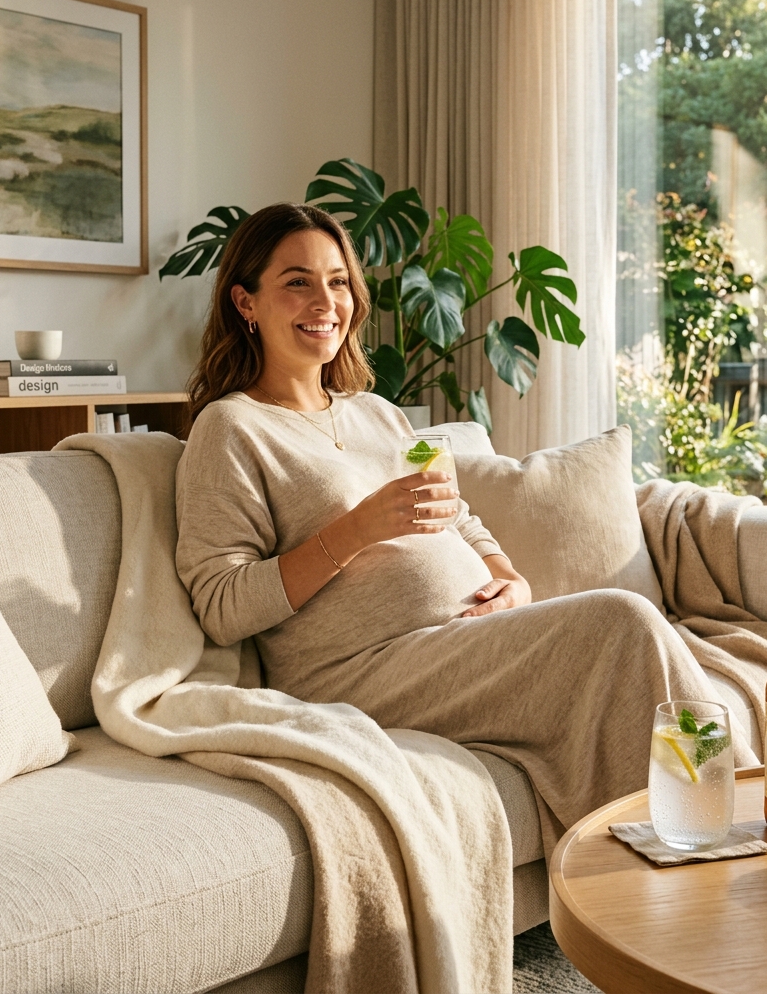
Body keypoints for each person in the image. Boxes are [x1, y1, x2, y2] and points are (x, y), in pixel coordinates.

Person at [175, 202, 730, 854]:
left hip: (461, 641)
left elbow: (456, 513)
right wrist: (356, 531)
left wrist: (508, 578)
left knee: (624, 638)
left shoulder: (377, 413)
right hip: (353, 674)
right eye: (297, 281)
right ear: (246, 302)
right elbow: (220, 605)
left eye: (338, 281)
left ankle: (711, 833)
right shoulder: (233, 428)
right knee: (622, 622)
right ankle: (743, 820)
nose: (325, 300)